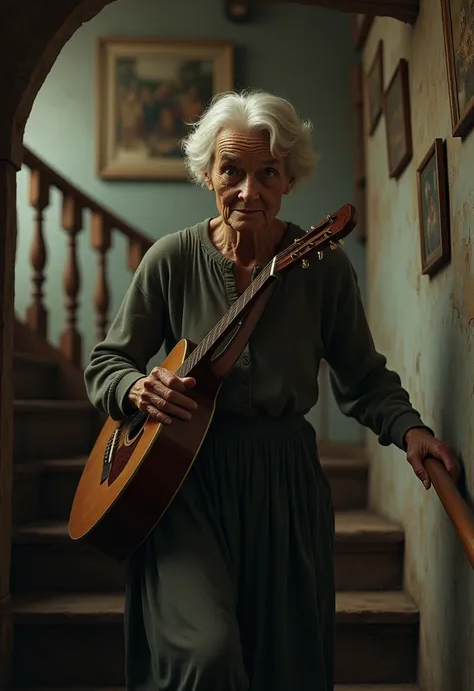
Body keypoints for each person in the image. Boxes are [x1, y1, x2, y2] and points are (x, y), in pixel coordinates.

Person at [84, 90, 460, 691]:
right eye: (231, 171)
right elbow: (107, 363)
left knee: (284, 667)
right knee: (203, 656)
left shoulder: (324, 266)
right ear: (207, 172)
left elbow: (361, 376)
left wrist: (410, 430)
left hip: (283, 482)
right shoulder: (170, 259)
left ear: (290, 180)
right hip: (183, 483)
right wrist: (135, 389)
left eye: (267, 174)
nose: (247, 191)